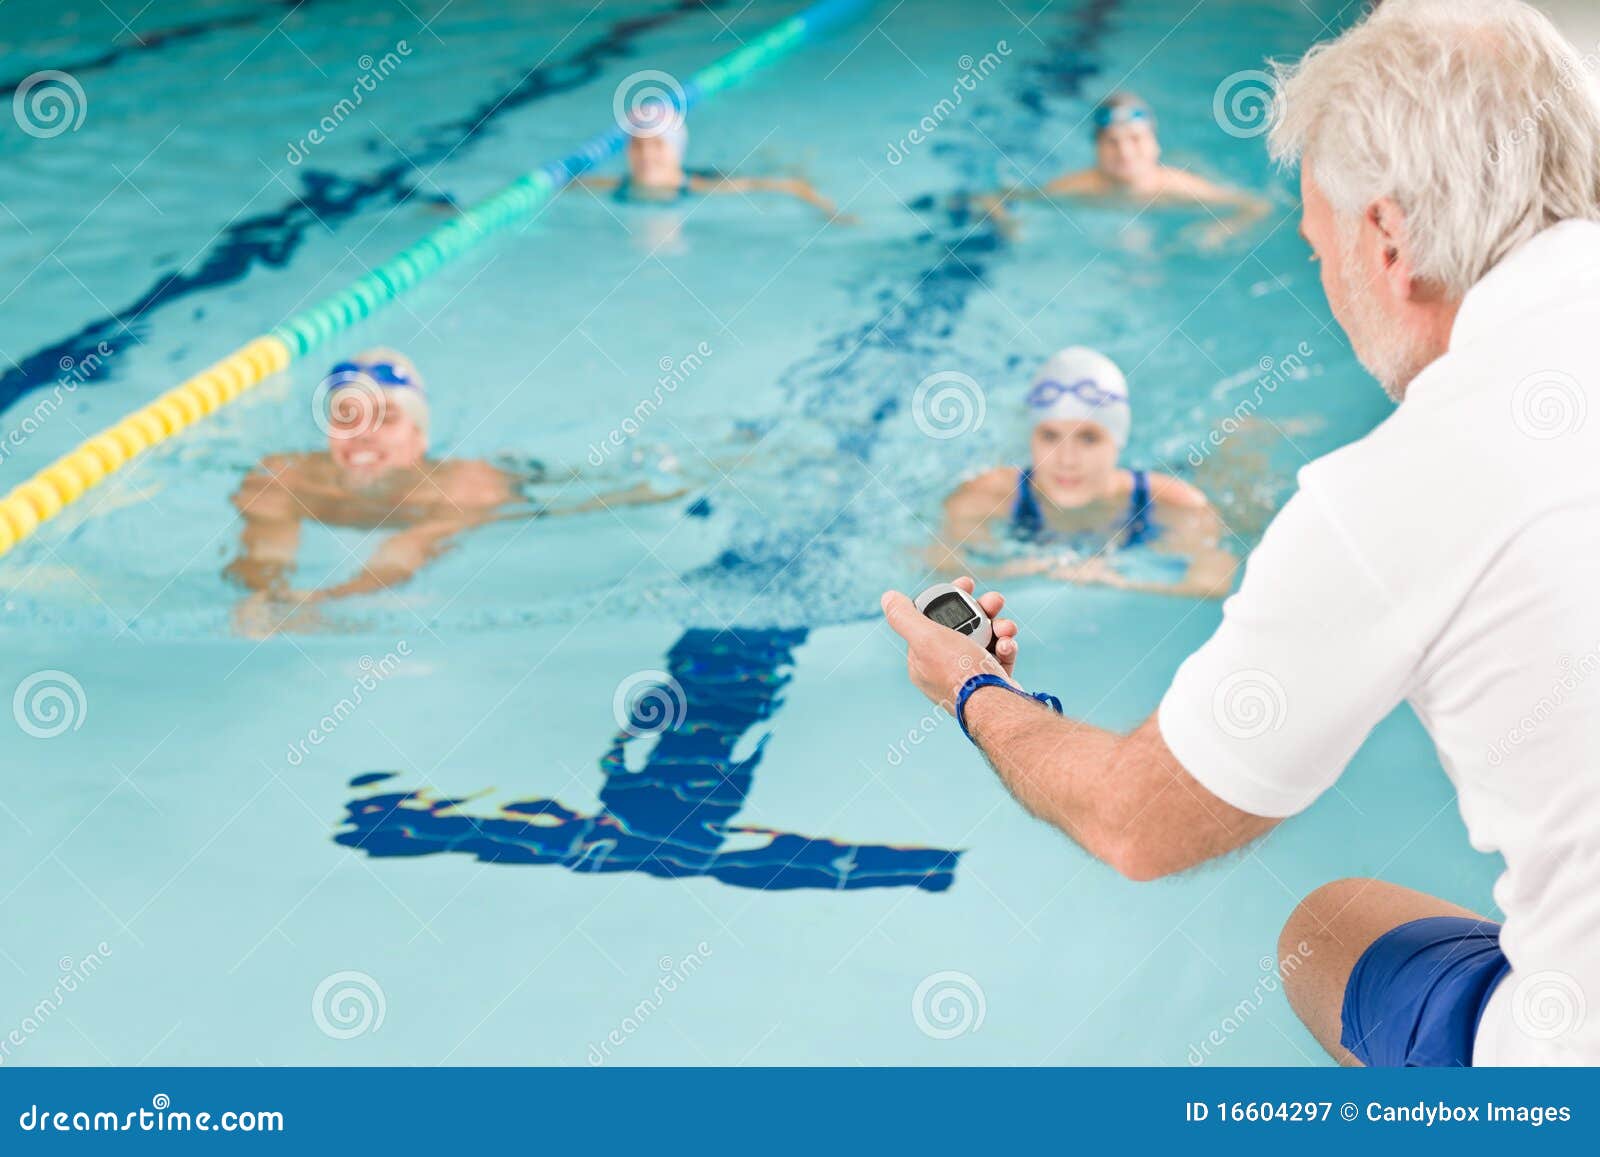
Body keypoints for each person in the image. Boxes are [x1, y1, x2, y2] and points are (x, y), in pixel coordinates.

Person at [882, 0, 1600, 1068]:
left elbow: (1138, 822)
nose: (1326, 284)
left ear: (1388, 242)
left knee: (1326, 926)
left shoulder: (1392, 489)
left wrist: (975, 692)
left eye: (1319, 251)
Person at [224, 348, 678, 634]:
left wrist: (323, 603)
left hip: (535, 493)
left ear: (419, 438)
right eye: (347, 417)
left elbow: (401, 558)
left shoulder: (464, 489)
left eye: (384, 419)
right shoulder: (284, 478)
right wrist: (268, 595)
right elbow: (264, 552)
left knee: (648, 489)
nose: (362, 436)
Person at [932, 347, 1235, 598]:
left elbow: (1212, 587)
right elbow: (938, 569)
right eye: (1050, 436)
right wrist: (1017, 572)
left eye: (1088, 437)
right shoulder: (985, 496)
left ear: (1118, 441)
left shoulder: (1176, 503)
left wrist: (1116, 581)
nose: (1066, 459)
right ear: (1032, 439)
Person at [978, 93, 1269, 244]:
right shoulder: (1080, 189)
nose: (1125, 152)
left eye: (1136, 139)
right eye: (1112, 142)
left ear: (1155, 144)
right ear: (1097, 149)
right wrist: (1009, 226)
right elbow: (993, 198)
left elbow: (1257, 205)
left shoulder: (1178, 189)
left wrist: (1219, 231)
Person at [574, 104, 856, 222]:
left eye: (657, 145)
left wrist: (831, 213)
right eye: (638, 145)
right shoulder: (610, 184)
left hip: (713, 176)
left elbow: (789, 186)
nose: (646, 156)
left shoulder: (702, 186)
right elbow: (564, 187)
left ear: (676, 151)